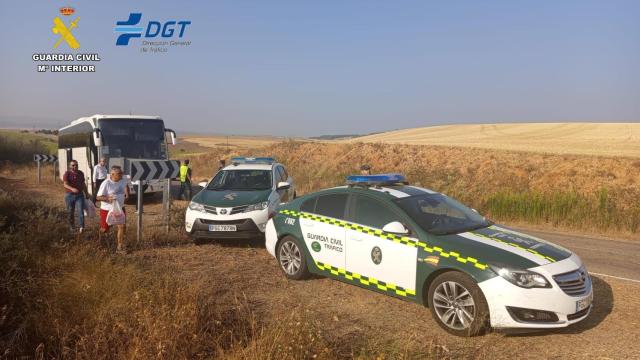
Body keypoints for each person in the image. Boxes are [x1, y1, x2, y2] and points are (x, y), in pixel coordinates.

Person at [96, 165, 130, 254]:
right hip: (107, 209)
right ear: (112, 174)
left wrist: (127, 193)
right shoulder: (106, 183)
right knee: (105, 229)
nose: (121, 175)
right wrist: (107, 199)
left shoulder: (122, 180)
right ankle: (100, 244)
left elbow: (125, 185)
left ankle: (120, 248)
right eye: (119, 173)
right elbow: (98, 197)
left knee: (122, 226)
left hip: (119, 208)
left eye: (121, 173)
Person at [63, 160, 89, 233]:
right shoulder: (67, 174)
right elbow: (65, 184)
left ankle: (82, 227)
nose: (75, 166)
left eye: (76, 165)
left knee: (80, 211)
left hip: (79, 195)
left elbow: (83, 184)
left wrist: (86, 193)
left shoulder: (80, 173)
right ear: (70, 166)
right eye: (73, 165)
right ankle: (72, 226)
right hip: (69, 195)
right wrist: (72, 189)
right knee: (70, 211)